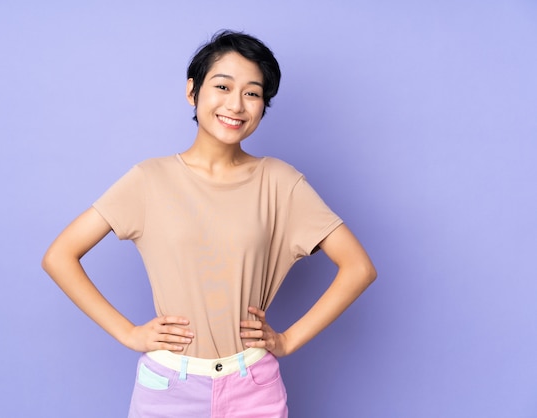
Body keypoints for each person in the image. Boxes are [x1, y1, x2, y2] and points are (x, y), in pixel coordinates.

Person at [42, 29, 376, 418]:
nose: (236, 104)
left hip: (253, 387)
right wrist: (128, 333)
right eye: (222, 86)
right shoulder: (150, 179)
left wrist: (287, 340)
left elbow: (359, 268)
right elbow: (59, 256)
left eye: (252, 93)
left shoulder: (281, 182)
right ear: (192, 92)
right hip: (167, 388)